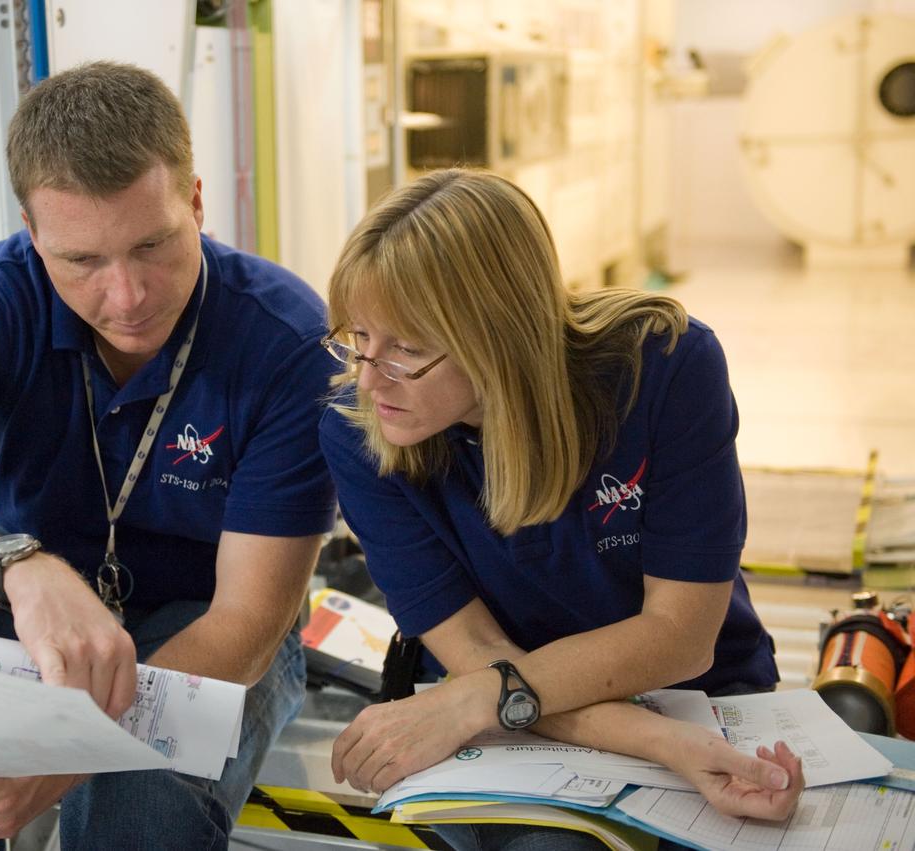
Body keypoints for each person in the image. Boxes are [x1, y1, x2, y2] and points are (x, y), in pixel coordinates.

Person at [0, 61, 337, 850]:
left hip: (206, 629)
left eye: (153, 245)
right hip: (42, 614)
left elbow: (245, 625)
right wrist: (21, 571)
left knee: (130, 810)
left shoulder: (289, 341)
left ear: (196, 201)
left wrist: (59, 753)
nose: (126, 295)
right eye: (82, 262)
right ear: (33, 235)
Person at [316, 169, 804, 850]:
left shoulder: (662, 367)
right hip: (528, 724)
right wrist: (659, 742)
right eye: (359, 336)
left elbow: (681, 636)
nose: (370, 377)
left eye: (407, 347)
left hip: (702, 697)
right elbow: (482, 662)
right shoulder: (360, 431)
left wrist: (482, 696)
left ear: (498, 336)